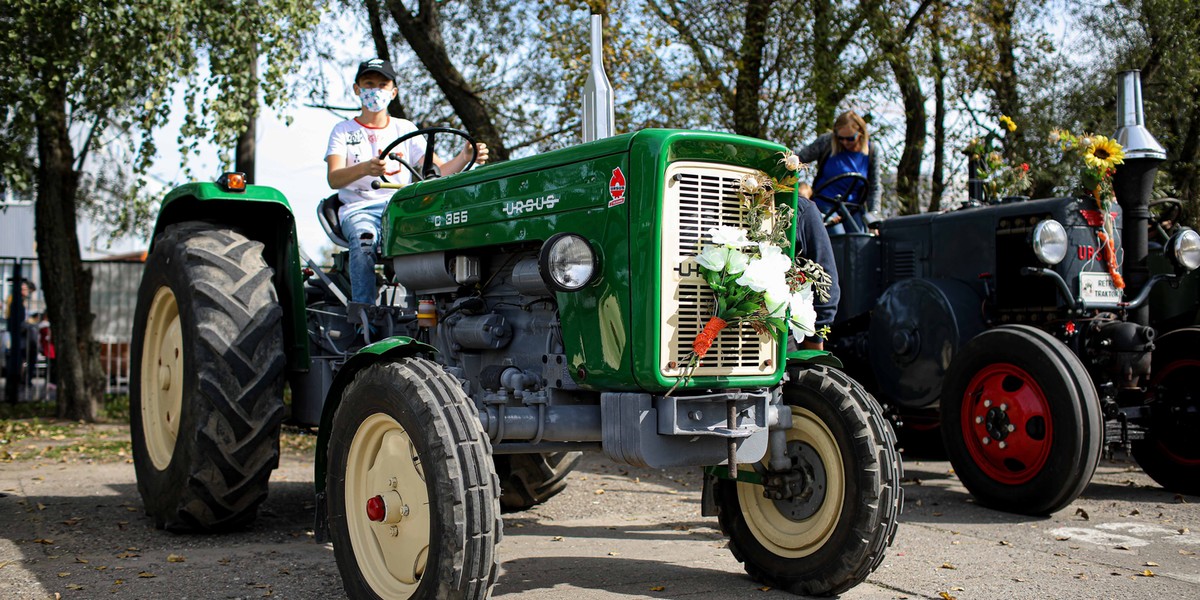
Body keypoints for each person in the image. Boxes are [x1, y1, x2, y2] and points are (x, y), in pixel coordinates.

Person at [325, 58, 489, 306]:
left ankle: (424, 310)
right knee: (364, 238)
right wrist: (365, 168)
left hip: (400, 209)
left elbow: (439, 172)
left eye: (382, 85)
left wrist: (465, 156)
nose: (375, 90)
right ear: (357, 89)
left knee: (432, 235)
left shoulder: (404, 129)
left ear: (393, 92)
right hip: (359, 210)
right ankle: (364, 312)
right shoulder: (343, 131)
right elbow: (334, 178)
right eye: (369, 84)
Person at [795, 110, 883, 232]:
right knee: (836, 234)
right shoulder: (827, 142)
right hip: (825, 205)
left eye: (850, 138)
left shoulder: (871, 151)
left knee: (859, 236)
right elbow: (796, 161)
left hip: (852, 208)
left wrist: (874, 215)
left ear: (861, 133)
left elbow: (874, 187)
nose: (845, 142)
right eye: (841, 138)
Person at [794, 194, 840, 351]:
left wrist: (814, 338)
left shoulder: (800, 208)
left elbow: (824, 279)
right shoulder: (802, 208)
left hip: (783, 340)